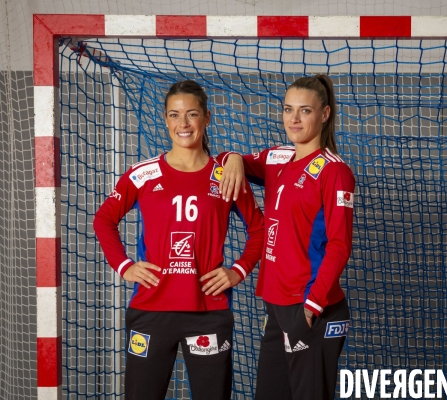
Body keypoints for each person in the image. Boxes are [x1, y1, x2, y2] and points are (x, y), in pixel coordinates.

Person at [93, 80, 264, 400]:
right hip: (151, 309)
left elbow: (260, 229)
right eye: (174, 115)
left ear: (207, 118)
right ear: (165, 119)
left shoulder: (225, 175)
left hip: (208, 310)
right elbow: (103, 219)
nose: (183, 124)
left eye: (192, 114)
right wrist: (124, 265)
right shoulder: (142, 174)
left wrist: (237, 271)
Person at [217, 74, 355, 400]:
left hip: (309, 307)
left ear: (324, 114)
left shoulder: (334, 171)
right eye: (288, 109)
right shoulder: (277, 158)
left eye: (304, 111)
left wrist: (312, 304)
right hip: (277, 305)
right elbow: (228, 161)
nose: (293, 119)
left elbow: (339, 245)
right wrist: (234, 158)